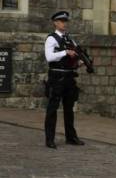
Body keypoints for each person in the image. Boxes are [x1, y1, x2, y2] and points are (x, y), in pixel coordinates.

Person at [44, 11, 84, 149]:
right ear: (55, 23)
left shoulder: (70, 39)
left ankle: (71, 137)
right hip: (56, 76)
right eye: (61, 21)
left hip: (69, 77)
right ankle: (50, 139)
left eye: (65, 21)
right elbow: (49, 57)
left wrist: (78, 62)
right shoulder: (51, 38)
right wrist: (65, 52)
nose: (64, 23)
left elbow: (73, 57)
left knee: (69, 109)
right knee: (52, 109)